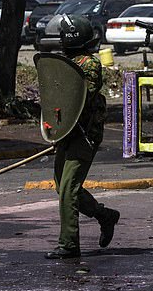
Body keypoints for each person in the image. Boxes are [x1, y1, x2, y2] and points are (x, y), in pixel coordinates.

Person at [45, 14, 120, 259]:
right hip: (66, 131)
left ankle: (69, 244)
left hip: (84, 134)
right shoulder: (65, 61)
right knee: (62, 186)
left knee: (68, 187)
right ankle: (103, 215)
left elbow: (81, 97)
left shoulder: (89, 64)